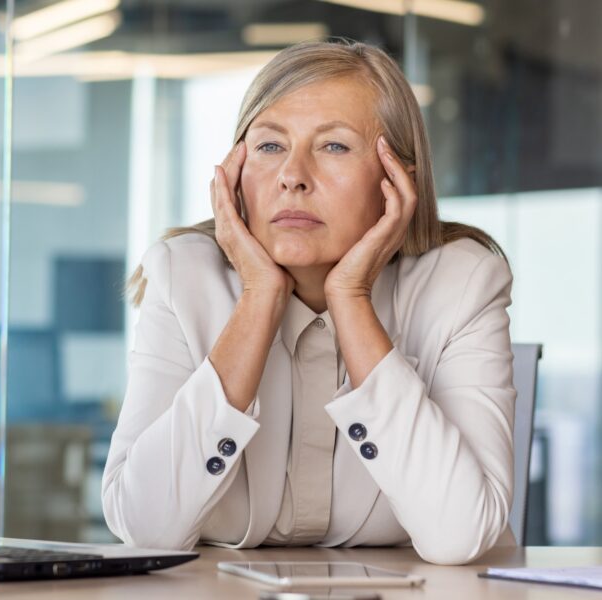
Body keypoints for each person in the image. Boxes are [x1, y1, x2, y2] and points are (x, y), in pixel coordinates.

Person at [101, 39, 516, 566]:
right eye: (270, 146)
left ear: (397, 178)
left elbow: (460, 534)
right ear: (235, 173)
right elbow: (144, 525)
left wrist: (351, 299)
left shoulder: (463, 281)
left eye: (334, 147)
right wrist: (259, 298)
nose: (292, 175)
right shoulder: (182, 276)